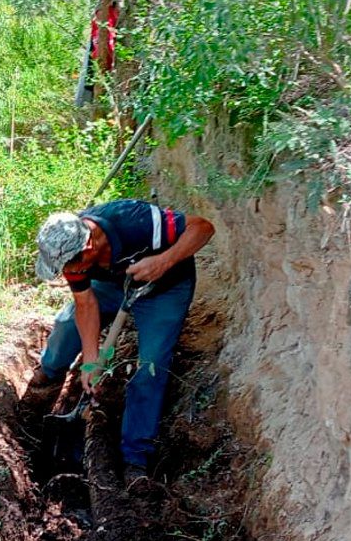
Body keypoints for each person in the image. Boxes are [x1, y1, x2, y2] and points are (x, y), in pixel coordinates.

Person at [28, 198, 215, 485]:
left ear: (87, 248)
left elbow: (203, 228)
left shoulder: (134, 221)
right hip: (113, 286)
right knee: (67, 324)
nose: (68, 272)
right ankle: (49, 372)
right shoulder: (73, 258)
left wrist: (162, 262)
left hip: (164, 289)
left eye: (69, 265)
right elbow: (85, 304)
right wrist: (91, 360)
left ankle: (136, 457)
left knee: (151, 368)